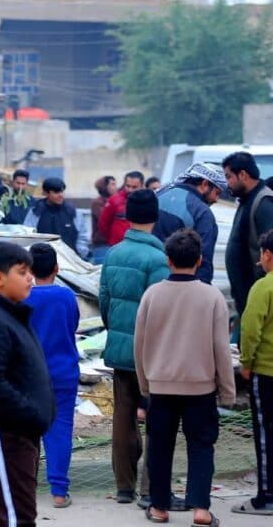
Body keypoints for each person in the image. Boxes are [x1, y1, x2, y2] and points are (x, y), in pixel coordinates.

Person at [134, 229, 235, 526]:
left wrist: (145, 384)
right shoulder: (212, 296)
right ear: (201, 260)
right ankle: (201, 510)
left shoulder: (152, 295)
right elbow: (221, 348)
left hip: (161, 386)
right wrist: (227, 390)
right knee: (202, 445)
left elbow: (139, 346)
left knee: (160, 446)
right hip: (201, 388)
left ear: (167, 260)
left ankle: (160, 508)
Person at [0, 242, 56, 527]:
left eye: (30, 271)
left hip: (18, 432)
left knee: (1, 514)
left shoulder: (11, 315)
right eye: (22, 271)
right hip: (2, 431)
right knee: (15, 518)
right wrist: (30, 414)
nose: (30, 277)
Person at [98, 189, 170, 506]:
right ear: (155, 217)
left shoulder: (113, 254)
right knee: (157, 417)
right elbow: (163, 309)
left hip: (119, 347)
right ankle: (150, 487)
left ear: (127, 217)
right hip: (151, 353)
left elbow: (104, 302)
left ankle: (124, 486)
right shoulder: (158, 259)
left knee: (123, 416)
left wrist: (116, 329)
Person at [233, 225, 273, 515]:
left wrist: (246, 362)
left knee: (268, 434)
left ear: (267, 255)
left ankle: (264, 497)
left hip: (269, 373)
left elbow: (251, 329)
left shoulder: (264, 286)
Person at [25, 243, 80, 509]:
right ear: (57, 268)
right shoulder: (68, 297)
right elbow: (74, 326)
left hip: (30, 375)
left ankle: (25, 487)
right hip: (63, 374)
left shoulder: (22, 298)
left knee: (26, 432)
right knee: (60, 431)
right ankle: (59, 492)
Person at [222, 151, 273, 342]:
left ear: (242, 174)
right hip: (247, 298)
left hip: (259, 297)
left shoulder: (264, 202)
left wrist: (261, 290)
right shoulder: (247, 200)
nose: (227, 183)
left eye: (229, 176)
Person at [152, 162, 226, 285]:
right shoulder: (202, 212)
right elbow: (204, 260)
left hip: (149, 281)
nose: (216, 199)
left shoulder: (160, 195)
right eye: (217, 193)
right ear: (205, 184)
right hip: (179, 285)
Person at [23, 177, 90, 260]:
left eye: (62, 191)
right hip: (42, 263)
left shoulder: (73, 212)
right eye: (56, 192)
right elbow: (27, 236)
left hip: (71, 262)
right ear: (46, 193)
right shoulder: (36, 212)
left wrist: (80, 254)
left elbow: (82, 236)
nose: (60, 195)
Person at [98, 171, 146, 247]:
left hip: (139, 246)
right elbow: (103, 224)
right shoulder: (114, 200)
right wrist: (113, 240)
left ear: (142, 186)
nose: (130, 190)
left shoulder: (147, 202)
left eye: (134, 187)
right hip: (118, 246)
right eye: (128, 186)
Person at [91, 175, 117, 263]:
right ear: (104, 187)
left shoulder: (116, 201)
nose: (115, 187)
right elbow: (106, 219)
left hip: (115, 243)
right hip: (102, 244)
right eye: (112, 184)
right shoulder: (98, 202)